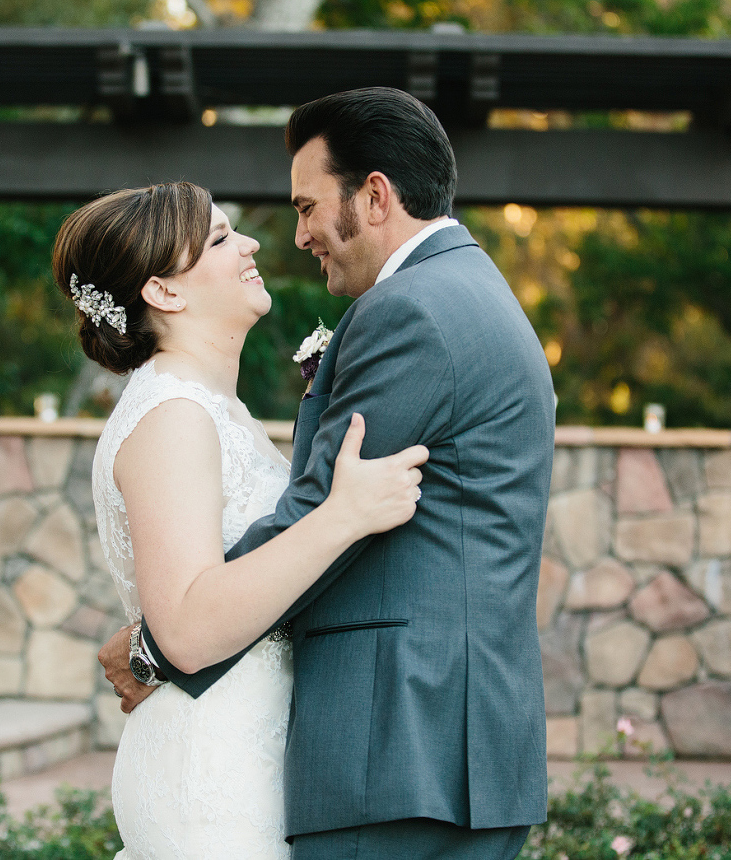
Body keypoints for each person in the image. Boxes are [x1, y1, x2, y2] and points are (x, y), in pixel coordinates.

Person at [103, 87, 556, 860]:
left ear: (373, 195)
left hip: (397, 739)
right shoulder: (470, 292)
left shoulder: (409, 310)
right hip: (440, 742)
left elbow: (318, 515)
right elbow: (332, 514)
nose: (296, 232)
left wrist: (159, 644)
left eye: (308, 206)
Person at [53, 180, 429, 859]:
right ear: (164, 293)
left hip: (242, 751)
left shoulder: (209, 409)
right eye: (222, 237)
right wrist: (342, 516)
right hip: (210, 776)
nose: (252, 242)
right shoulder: (173, 416)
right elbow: (189, 629)